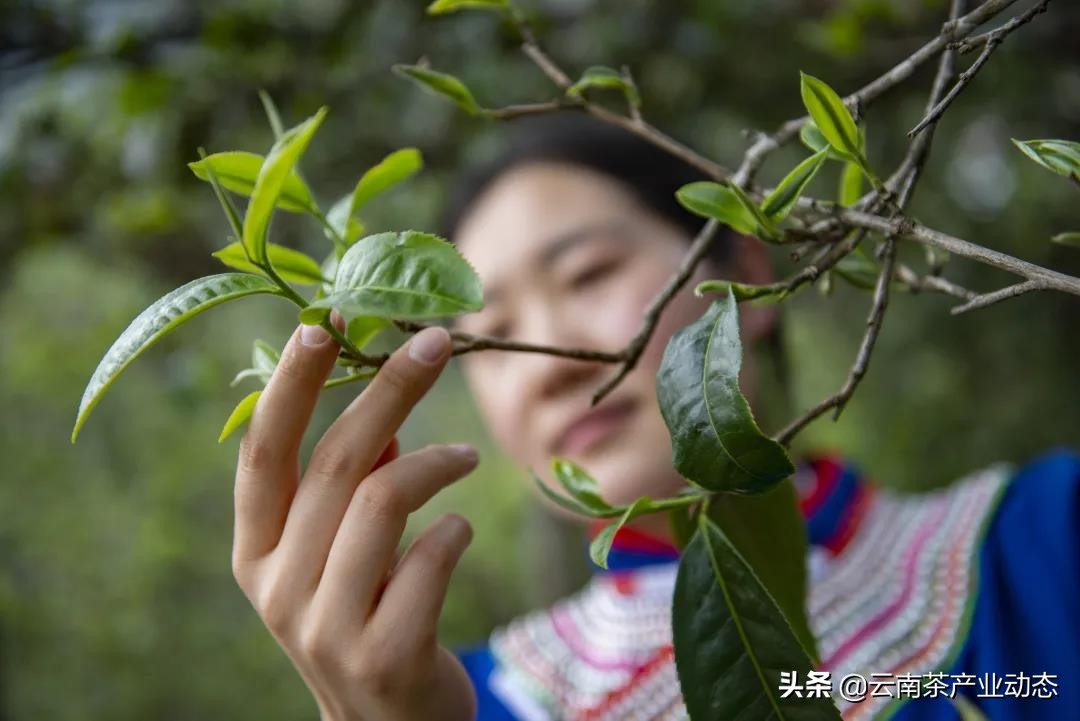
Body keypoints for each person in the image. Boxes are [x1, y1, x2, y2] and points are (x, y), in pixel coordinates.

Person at [228, 115, 1079, 721]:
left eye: (589, 274)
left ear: (745, 267)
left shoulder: (1044, 538)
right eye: (487, 338)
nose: (550, 362)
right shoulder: (457, 697)